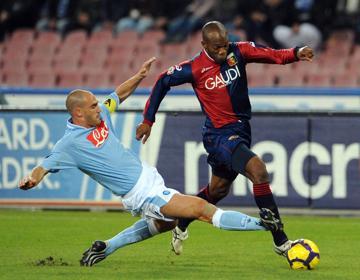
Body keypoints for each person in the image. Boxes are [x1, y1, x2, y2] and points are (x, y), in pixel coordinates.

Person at [18, 57, 281, 267]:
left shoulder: (101, 117)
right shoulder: (69, 144)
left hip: (148, 177)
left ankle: (106, 247)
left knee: (167, 223)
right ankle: (264, 224)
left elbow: (118, 94)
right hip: (142, 194)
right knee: (201, 209)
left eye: (98, 104)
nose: (101, 107)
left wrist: (139, 77)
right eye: (94, 106)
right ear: (78, 113)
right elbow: (44, 165)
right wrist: (32, 178)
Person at [136, 21, 314, 257]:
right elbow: (162, 81)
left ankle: (182, 223)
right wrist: (148, 120)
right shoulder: (193, 68)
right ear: (204, 45)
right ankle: (281, 242)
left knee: (218, 190)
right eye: (217, 47)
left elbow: (271, 55)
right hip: (218, 135)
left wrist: (296, 52)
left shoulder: (238, 51)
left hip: (241, 130)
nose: (223, 51)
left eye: (224, 45)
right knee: (258, 170)